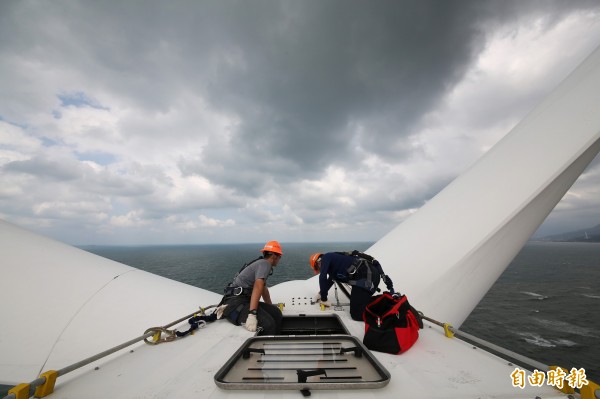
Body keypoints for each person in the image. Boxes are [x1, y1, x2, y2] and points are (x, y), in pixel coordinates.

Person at [309, 251, 395, 321]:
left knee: (356, 315)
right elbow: (329, 281)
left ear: (318, 262)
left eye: (318, 268)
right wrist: (320, 294)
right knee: (360, 306)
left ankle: (389, 316)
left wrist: (324, 299)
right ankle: (383, 305)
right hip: (366, 277)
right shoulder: (333, 268)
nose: (319, 270)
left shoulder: (326, 257)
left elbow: (322, 277)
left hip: (367, 275)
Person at [220, 241, 283, 335]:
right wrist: (252, 314)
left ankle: (275, 342)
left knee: (276, 313)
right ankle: (265, 348)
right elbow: (258, 286)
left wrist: (269, 305)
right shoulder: (265, 264)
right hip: (235, 304)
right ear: (274, 256)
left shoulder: (261, 263)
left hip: (243, 301)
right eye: (279, 257)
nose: (279, 259)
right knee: (268, 324)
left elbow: (263, 289)